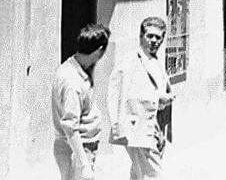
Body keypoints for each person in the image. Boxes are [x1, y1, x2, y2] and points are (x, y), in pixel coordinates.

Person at [108, 17, 174, 179]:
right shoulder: (130, 61)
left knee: (138, 174)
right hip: (137, 129)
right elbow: (118, 94)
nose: (153, 41)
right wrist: (159, 100)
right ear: (141, 36)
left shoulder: (155, 61)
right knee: (154, 174)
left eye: (158, 37)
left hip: (155, 127)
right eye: (149, 36)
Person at [52, 23, 111, 180]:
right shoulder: (73, 82)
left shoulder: (70, 66)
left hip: (74, 148)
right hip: (78, 149)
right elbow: (70, 126)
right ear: (99, 51)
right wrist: (84, 164)